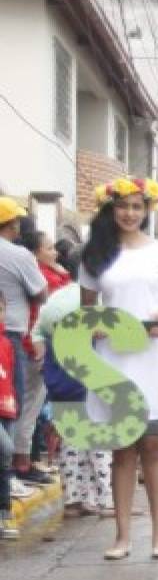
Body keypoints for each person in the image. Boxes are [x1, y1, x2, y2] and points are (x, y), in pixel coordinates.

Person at [80, 177, 158, 560]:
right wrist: (96, 325)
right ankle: (121, 536)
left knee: (153, 445)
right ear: (110, 209)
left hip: (151, 356)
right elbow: (87, 308)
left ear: (147, 211)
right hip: (112, 360)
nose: (130, 213)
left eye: (138, 207)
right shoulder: (95, 255)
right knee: (122, 449)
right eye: (123, 206)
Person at [32, 246, 112, 518]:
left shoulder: (55, 300)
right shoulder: (94, 301)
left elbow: (38, 334)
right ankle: (104, 499)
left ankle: (73, 500)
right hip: (90, 380)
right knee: (98, 442)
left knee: (71, 443)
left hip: (61, 382)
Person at [0, 198, 48, 487]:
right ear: (12, 224)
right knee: (10, 402)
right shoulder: (19, 255)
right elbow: (41, 293)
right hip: (11, 334)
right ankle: (10, 472)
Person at [16, 230, 69, 476]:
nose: (55, 252)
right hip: (35, 348)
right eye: (49, 248)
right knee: (30, 405)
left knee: (32, 405)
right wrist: (61, 273)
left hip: (34, 346)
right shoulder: (41, 276)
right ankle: (23, 461)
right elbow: (60, 298)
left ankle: (27, 457)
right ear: (36, 253)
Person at [0, 292, 17, 540]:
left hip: (6, 407)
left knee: (3, 464)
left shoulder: (6, 343)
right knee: (5, 450)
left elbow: (10, 376)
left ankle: (3, 514)